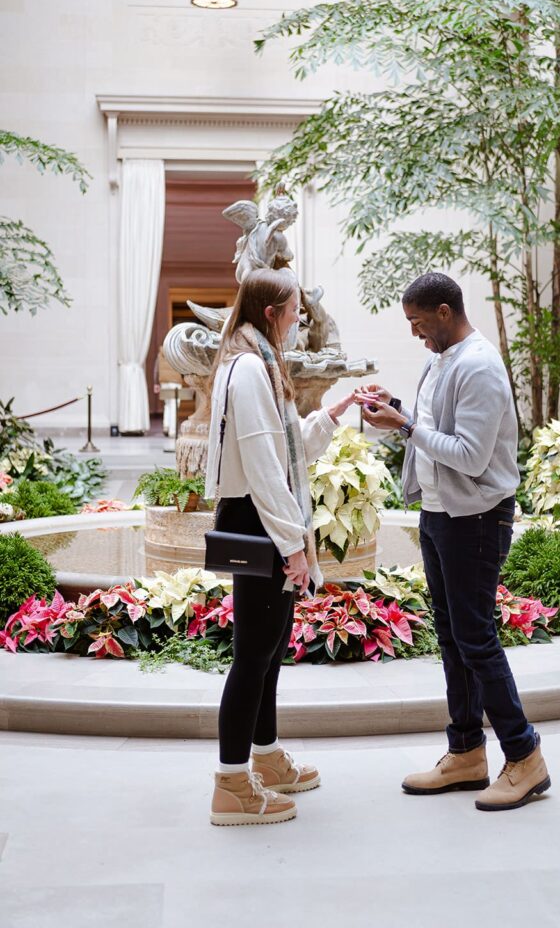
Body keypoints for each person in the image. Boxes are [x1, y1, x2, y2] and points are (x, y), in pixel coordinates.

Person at [356, 272, 551, 812]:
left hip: (478, 518)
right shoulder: (439, 360)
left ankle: (525, 756)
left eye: (419, 323)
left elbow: (469, 454)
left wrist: (405, 428)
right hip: (441, 512)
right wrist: (394, 406)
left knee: (476, 638)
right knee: (451, 637)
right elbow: (433, 425)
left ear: (445, 312)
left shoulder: (480, 365)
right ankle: (466, 752)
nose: (416, 334)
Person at [204, 268, 355, 827]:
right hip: (260, 518)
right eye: (295, 311)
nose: (301, 320)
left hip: (266, 516)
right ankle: (231, 785)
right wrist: (293, 543)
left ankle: (263, 759)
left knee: (267, 650)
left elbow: (288, 448)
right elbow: (265, 468)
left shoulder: (260, 364)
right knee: (252, 657)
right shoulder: (248, 370)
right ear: (271, 313)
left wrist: (333, 414)